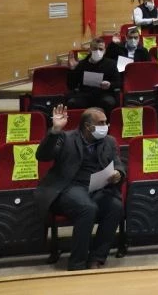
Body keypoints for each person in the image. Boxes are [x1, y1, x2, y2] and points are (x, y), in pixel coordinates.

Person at [35, 105, 125, 270]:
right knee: (87, 208)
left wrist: (118, 173)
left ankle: (96, 257)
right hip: (68, 188)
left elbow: (118, 164)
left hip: (97, 188)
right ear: (88, 126)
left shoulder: (109, 141)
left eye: (106, 122)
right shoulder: (66, 138)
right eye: (101, 123)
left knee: (115, 207)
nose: (106, 126)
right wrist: (55, 130)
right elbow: (42, 155)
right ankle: (77, 263)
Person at [67, 38, 121, 116]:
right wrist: (72, 70)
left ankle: (105, 122)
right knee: (72, 103)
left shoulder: (111, 64)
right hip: (85, 94)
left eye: (100, 49)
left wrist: (110, 84)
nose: (98, 51)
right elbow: (71, 85)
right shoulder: (82, 64)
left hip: (104, 94)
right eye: (95, 49)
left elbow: (118, 83)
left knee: (108, 102)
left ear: (104, 51)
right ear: (90, 50)